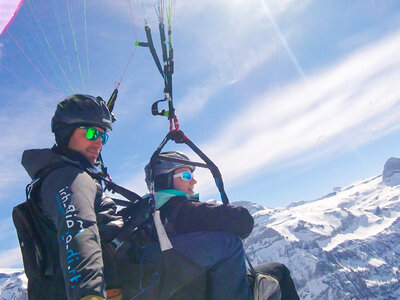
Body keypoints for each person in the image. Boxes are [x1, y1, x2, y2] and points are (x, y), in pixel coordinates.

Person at [139, 151, 300, 300]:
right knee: (279, 271)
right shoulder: (183, 210)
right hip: (212, 288)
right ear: (165, 179)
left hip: (178, 287)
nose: (194, 181)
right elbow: (242, 221)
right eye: (187, 175)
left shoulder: (144, 215)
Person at [21, 94, 123, 300]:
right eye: (92, 133)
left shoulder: (64, 176)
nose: (99, 143)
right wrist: (90, 295)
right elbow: (80, 233)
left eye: (103, 136)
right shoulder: (69, 178)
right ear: (66, 132)